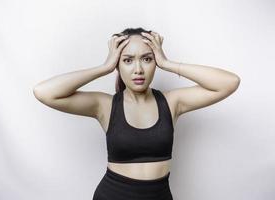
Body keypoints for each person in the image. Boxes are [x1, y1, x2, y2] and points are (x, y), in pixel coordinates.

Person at [33, 27, 241, 200]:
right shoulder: (105, 106)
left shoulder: (171, 102)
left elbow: (229, 83)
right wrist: (104, 67)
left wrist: (168, 63)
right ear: (118, 65)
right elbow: (44, 92)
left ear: (155, 62)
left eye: (147, 59)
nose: (138, 69)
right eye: (128, 60)